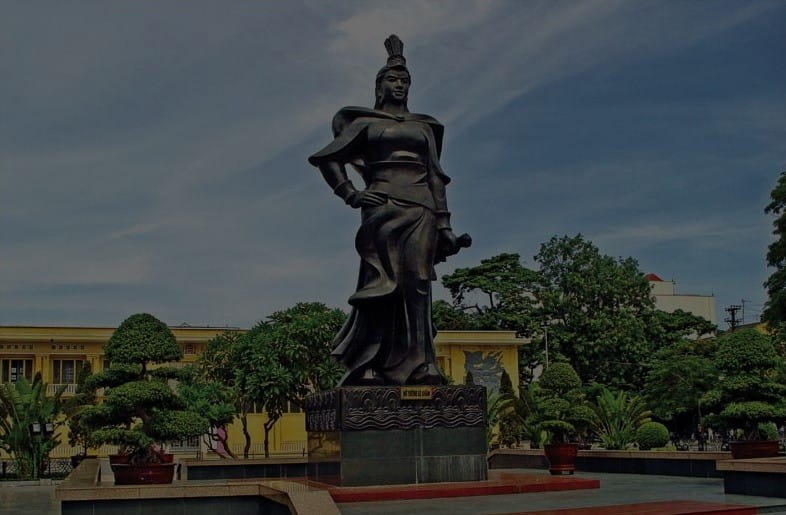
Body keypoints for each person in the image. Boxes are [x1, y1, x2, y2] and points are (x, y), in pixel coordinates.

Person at [309, 35, 469, 386]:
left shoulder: (423, 127)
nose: (399, 85)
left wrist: (444, 226)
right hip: (381, 207)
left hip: (421, 208)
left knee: (418, 285)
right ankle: (369, 364)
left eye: (405, 81)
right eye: (392, 80)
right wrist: (350, 193)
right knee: (381, 283)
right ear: (379, 86)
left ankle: (423, 365)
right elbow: (327, 159)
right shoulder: (366, 124)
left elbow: (436, 177)